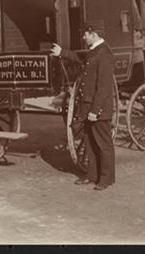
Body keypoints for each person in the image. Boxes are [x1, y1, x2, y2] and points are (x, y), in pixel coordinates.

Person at [51, 21, 116, 191]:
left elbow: (103, 87)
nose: (83, 37)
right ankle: (92, 175)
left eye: (85, 34)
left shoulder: (105, 54)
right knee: (89, 141)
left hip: (98, 108)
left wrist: (95, 110)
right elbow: (80, 59)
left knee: (103, 144)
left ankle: (106, 178)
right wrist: (62, 52)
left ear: (93, 34)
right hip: (87, 106)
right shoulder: (95, 51)